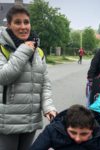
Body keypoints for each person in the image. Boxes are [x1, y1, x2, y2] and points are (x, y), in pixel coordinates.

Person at [0, 5, 57, 150]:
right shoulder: (2, 48)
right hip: (7, 121)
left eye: (26, 22)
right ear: (8, 25)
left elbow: (44, 84)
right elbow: (3, 77)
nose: (23, 26)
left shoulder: (38, 52)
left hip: (31, 120)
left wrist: (48, 107)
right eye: (17, 22)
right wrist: (24, 50)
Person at [30, 104, 100, 150]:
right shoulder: (53, 130)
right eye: (73, 132)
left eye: (84, 134)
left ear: (92, 129)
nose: (77, 138)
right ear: (65, 126)